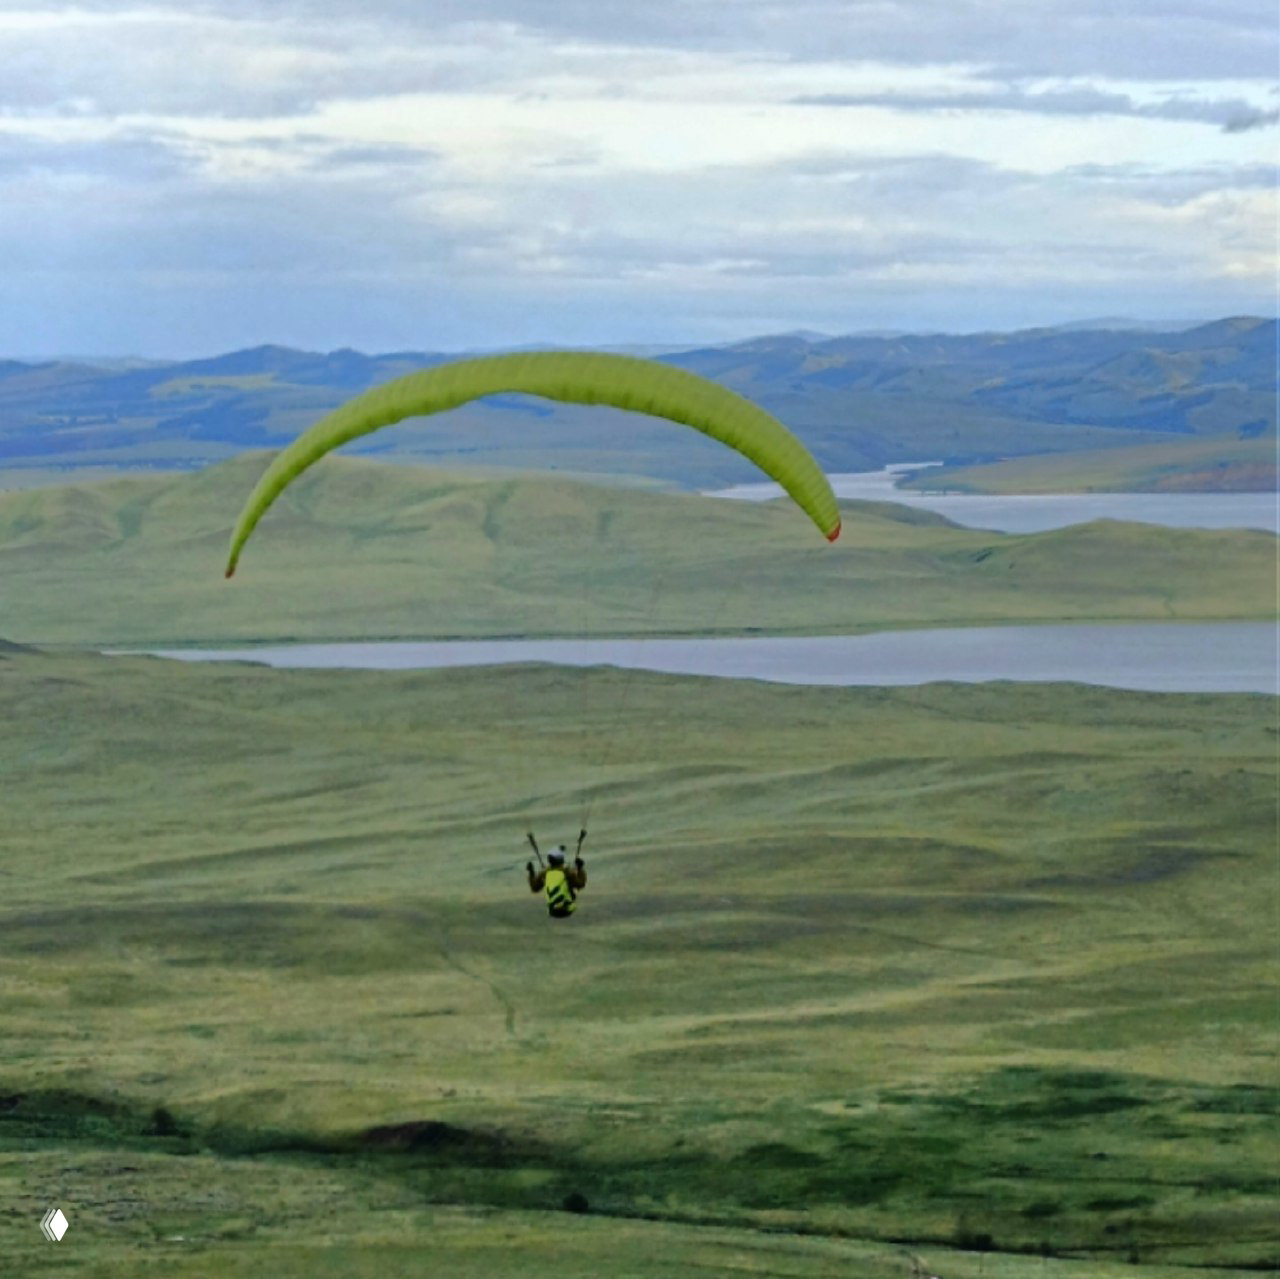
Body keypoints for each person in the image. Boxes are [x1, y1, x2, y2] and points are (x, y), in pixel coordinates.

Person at [526, 844, 587, 918]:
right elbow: (581, 884)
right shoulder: (566, 872)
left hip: (552, 911)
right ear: (562, 860)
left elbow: (534, 888)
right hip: (567, 909)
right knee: (570, 887)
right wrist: (580, 869)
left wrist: (531, 873)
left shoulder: (544, 874)